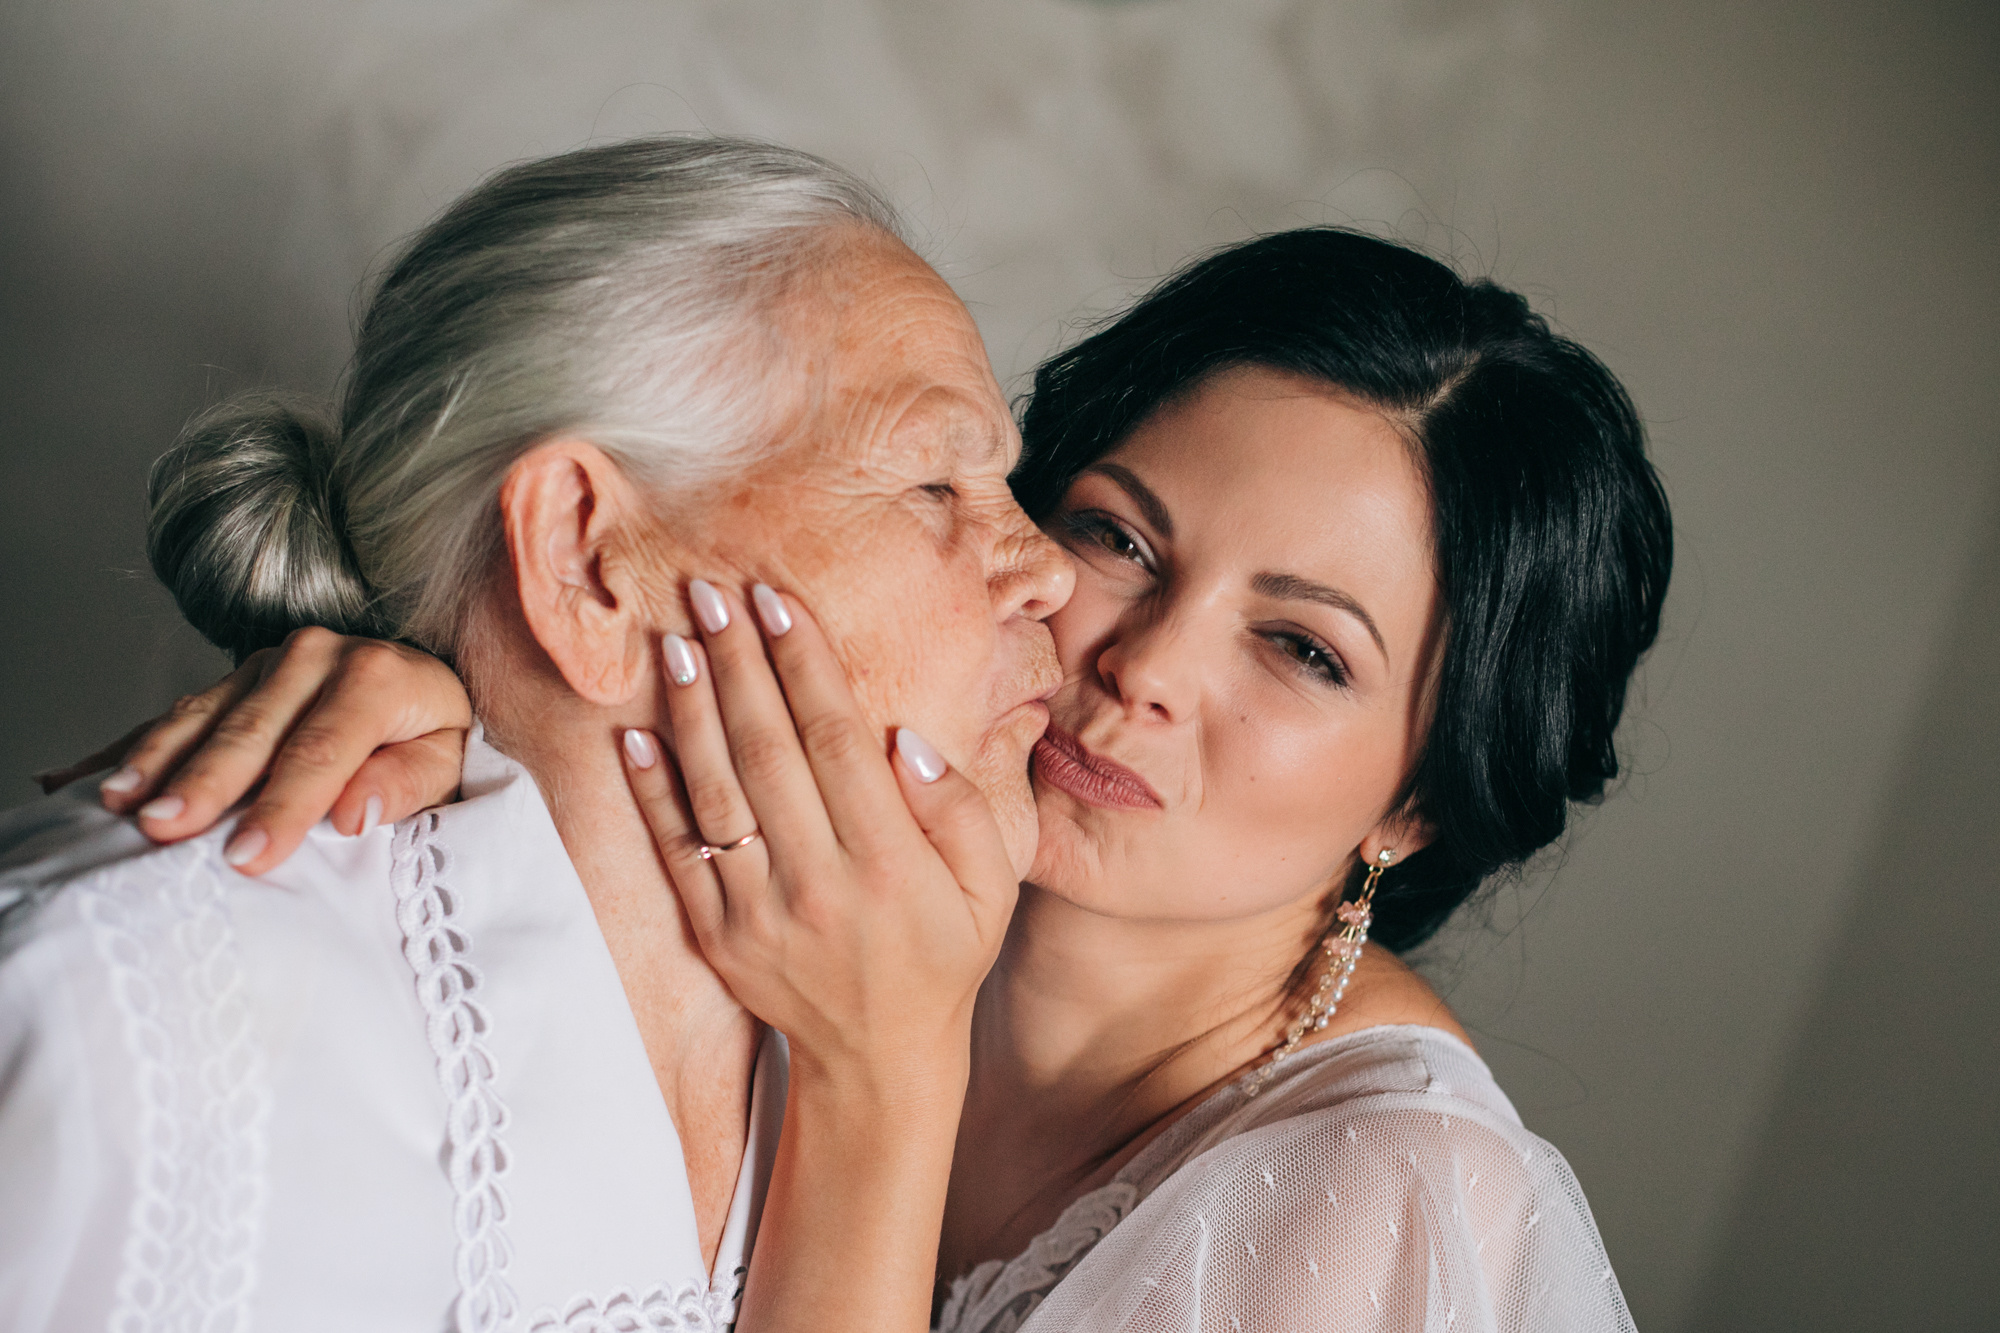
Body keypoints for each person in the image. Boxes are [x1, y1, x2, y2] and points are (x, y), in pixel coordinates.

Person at [41, 227, 1672, 1330]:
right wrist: (444, 682)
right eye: (1117, 534)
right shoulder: (838, 853)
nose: (1147, 665)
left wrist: (883, 1081)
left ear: (1418, 797)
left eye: (1304, 650)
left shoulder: (1385, 1213)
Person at [0, 136, 1075, 1333]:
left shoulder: (878, 1016)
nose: (1051, 574)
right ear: (586, 563)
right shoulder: (129, 1013)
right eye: (936, 485)